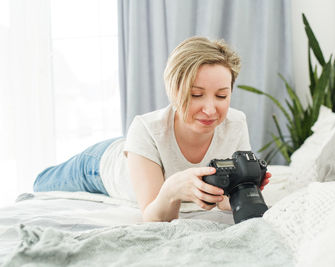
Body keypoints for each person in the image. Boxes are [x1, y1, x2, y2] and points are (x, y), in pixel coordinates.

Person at [34, 36, 271, 222]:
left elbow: (225, 200)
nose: (210, 109)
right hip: (102, 165)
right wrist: (172, 189)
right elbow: (154, 216)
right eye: (196, 95)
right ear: (174, 90)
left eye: (222, 95)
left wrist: (244, 191)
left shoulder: (236, 122)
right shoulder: (145, 129)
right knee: (41, 183)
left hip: (142, 150)